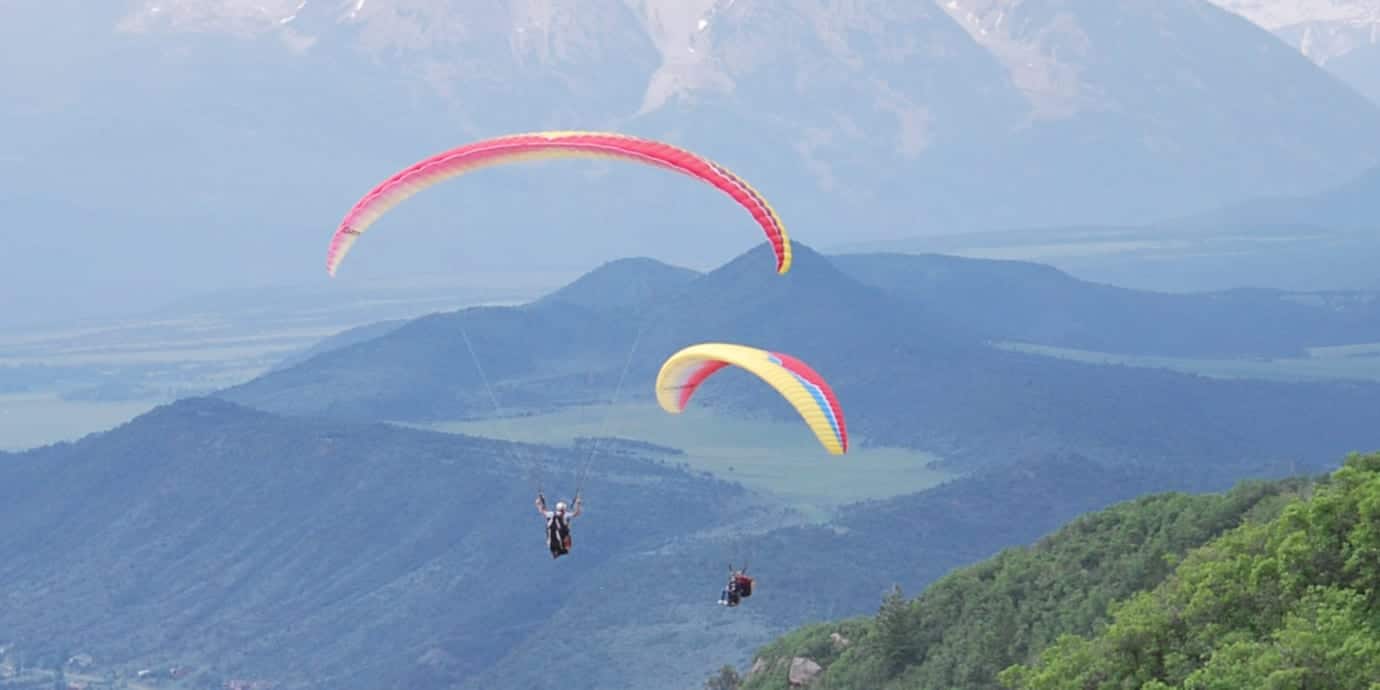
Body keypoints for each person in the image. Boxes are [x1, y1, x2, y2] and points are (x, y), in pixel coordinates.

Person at [535, 493, 582, 559]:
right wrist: (578, 504)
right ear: (564, 509)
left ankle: (558, 551)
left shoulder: (551, 514)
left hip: (553, 541)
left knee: (565, 547)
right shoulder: (565, 515)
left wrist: (539, 503)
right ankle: (558, 551)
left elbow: (542, 511)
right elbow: (577, 513)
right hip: (559, 539)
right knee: (567, 542)